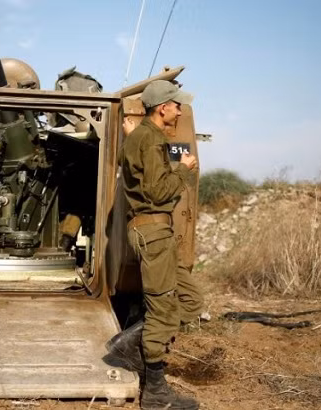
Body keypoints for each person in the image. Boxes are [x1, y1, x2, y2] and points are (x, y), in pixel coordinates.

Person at [106, 80, 200, 410]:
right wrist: (184, 171)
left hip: (157, 235)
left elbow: (133, 157)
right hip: (154, 233)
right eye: (176, 105)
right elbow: (159, 193)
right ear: (163, 108)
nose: (179, 109)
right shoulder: (150, 141)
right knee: (162, 312)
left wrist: (137, 135)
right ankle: (156, 393)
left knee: (190, 300)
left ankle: (127, 344)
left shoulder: (144, 139)